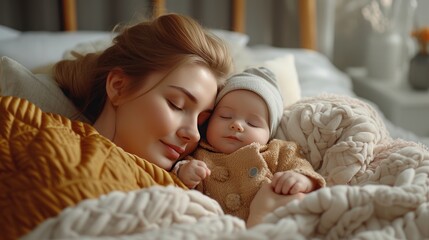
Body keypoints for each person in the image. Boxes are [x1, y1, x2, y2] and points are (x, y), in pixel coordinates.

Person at [0, 13, 233, 239]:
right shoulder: (29, 130)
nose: (192, 133)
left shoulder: (192, 188)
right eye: (176, 104)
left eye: (202, 122)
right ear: (118, 86)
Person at [173, 67, 326, 222]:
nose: (236, 125)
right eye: (225, 116)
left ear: (269, 132)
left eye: (252, 123)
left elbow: (302, 166)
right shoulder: (199, 152)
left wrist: (302, 179)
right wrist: (184, 173)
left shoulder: (277, 151)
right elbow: (174, 187)